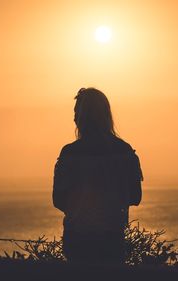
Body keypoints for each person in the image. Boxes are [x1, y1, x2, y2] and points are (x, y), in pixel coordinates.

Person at [52, 87, 143, 264]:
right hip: (112, 239)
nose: (73, 118)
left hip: (77, 240)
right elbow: (135, 196)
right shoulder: (124, 151)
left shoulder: (70, 153)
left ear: (83, 117)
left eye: (76, 112)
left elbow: (58, 199)